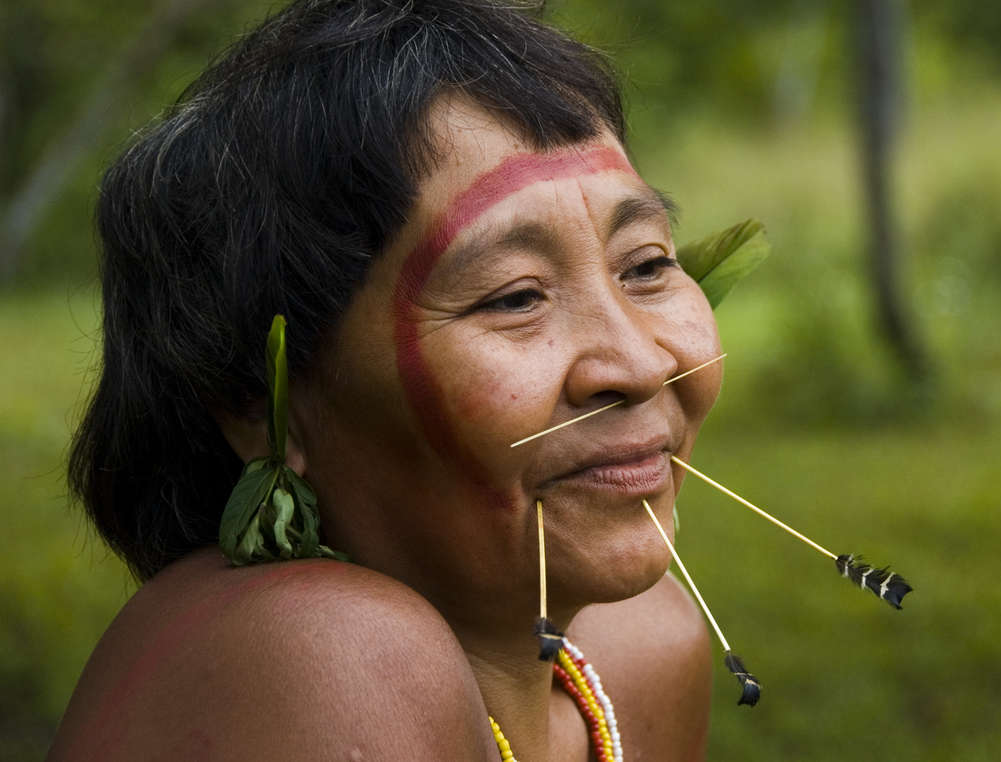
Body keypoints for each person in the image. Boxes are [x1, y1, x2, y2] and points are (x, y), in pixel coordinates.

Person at [52, 1, 723, 759]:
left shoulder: (643, 650)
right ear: (259, 406)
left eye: (647, 266)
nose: (641, 365)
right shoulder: (321, 652)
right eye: (513, 296)